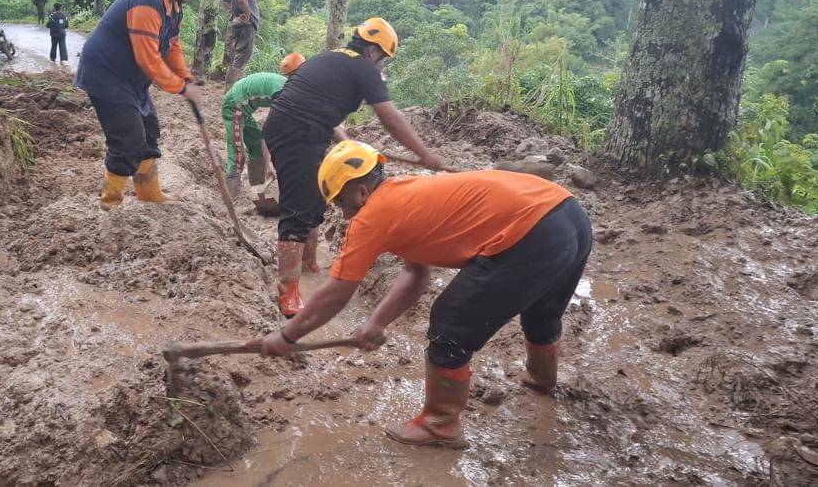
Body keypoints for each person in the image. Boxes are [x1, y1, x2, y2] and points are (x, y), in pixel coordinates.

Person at [253, 140, 593, 447]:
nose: (344, 214)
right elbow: (416, 274)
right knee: (543, 312)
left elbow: (335, 295)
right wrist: (376, 323)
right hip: (569, 215)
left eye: (342, 203)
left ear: (359, 193)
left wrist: (288, 335)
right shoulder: (405, 194)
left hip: (532, 230)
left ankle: (440, 425)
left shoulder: (372, 217)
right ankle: (542, 381)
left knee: (449, 325)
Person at [261, 17, 444, 317]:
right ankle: (289, 292)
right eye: (383, 59)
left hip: (301, 128)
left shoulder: (333, 58)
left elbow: (322, 110)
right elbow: (392, 119)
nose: (382, 66)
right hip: (296, 132)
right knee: (298, 205)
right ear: (373, 50)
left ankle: (309, 262)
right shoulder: (362, 67)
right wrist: (425, 155)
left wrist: (347, 142)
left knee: (319, 193)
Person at [74, 0, 211, 210]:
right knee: (128, 140)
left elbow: (171, 45)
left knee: (149, 131)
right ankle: (109, 202)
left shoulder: (174, 7)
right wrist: (182, 89)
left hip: (130, 80)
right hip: (107, 75)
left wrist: (186, 78)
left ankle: (149, 192)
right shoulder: (147, 3)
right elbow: (149, 60)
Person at [221, 53, 306, 198]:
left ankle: (257, 187)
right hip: (234, 105)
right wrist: (270, 164)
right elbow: (269, 131)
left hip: (244, 109)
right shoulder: (283, 93)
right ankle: (231, 195)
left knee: (255, 145)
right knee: (237, 153)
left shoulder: (288, 87)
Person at [220, 0, 259, 88]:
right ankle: (231, 91)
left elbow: (224, 0)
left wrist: (234, 11)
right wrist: (247, 15)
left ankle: (231, 88)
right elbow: (242, 0)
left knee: (236, 57)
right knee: (241, 59)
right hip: (245, 26)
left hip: (235, 24)